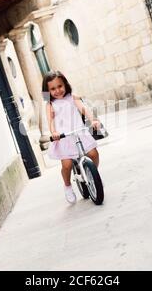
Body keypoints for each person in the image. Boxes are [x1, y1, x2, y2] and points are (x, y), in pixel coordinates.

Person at [42, 70, 101, 204]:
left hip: (79, 132)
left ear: (65, 85)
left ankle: (93, 175)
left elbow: (84, 109)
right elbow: (50, 121)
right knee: (67, 164)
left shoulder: (72, 97)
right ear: (47, 91)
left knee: (93, 153)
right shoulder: (50, 105)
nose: (57, 90)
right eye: (52, 89)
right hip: (64, 138)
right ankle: (67, 185)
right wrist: (54, 132)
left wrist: (93, 120)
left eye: (60, 86)